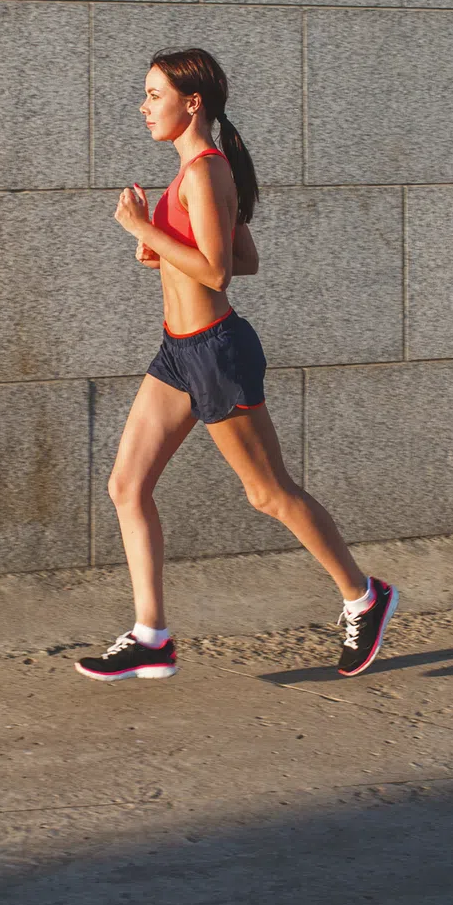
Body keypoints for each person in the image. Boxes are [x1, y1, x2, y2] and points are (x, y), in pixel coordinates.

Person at [75, 48, 398, 683]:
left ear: (191, 103)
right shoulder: (192, 173)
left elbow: (219, 274)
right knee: (126, 486)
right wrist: (160, 250)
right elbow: (244, 258)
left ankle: (364, 597)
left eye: (154, 95)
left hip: (216, 351)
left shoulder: (204, 171)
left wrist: (143, 229)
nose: (143, 107)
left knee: (268, 493)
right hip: (178, 351)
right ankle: (151, 637)